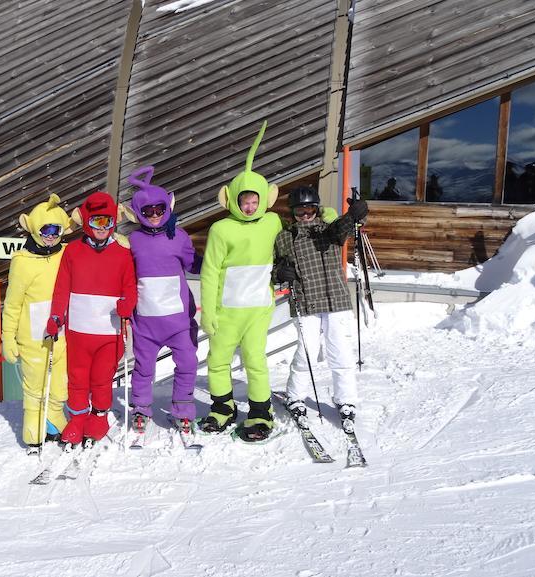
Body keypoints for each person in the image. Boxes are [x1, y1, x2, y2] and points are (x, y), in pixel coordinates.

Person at [199, 121, 283, 442]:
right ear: (232, 199)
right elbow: (209, 272)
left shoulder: (273, 222)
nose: (249, 206)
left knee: (255, 360)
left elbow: (303, 231)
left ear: (264, 199)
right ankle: (223, 408)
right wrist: (208, 311)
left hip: (258, 309)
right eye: (244, 200)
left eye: (254, 200)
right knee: (218, 360)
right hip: (226, 311)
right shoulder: (221, 229)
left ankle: (261, 411)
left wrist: (333, 218)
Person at [273, 185, 369, 434]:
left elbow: (343, 229)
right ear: (292, 213)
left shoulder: (329, 230)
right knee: (306, 353)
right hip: (306, 303)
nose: (305, 215)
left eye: (309, 209)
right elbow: (276, 268)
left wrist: (355, 214)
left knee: (340, 353)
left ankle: (346, 399)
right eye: (299, 211)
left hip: (335, 301)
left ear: (317, 209)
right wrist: (280, 273)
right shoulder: (285, 237)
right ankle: (295, 397)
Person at [46, 191, 138, 447]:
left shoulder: (122, 253)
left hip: (108, 332)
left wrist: (127, 305)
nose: (102, 228)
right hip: (78, 330)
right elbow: (62, 287)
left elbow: (130, 286)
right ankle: (77, 420)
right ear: (86, 222)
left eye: (107, 222)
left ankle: (98, 417)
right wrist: (56, 316)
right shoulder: (73, 251)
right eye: (96, 221)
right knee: (77, 378)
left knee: (101, 378)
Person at [122, 166, 201, 435]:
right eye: (148, 211)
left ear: (167, 206)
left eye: (159, 209)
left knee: (188, 362)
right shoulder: (132, 240)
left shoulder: (178, 236)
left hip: (178, 319)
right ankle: (141, 408)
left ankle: (183, 408)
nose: (154, 215)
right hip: (145, 322)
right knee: (144, 368)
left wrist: (220, 263)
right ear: (138, 213)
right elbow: (122, 273)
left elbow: (194, 264)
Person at [1, 194, 73, 454]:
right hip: (33, 332)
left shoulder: (65, 253)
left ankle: (54, 417)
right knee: (35, 381)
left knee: (60, 381)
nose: (51, 235)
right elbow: (12, 303)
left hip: (62, 328)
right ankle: (33, 425)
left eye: (56, 229)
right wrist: (7, 336)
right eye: (45, 229)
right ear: (33, 229)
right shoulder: (22, 262)